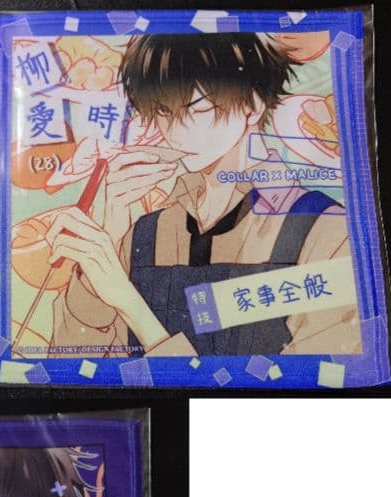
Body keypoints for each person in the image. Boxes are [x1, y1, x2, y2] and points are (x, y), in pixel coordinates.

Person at [44, 32, 359, 357]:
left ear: (252, 104)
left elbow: (315, 380)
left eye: (195, 108)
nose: (175, 131)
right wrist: (107, 244)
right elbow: (73, 365)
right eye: (163, 111)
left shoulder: (327, 231)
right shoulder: (146, 232)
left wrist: (129, 304)